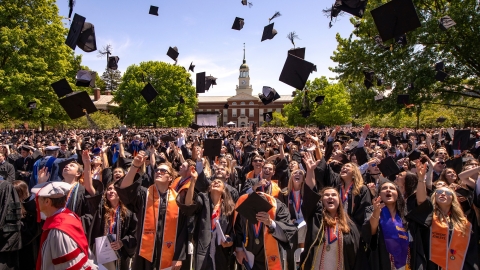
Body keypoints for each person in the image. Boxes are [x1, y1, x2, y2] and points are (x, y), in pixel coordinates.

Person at [115, 152, 188, 270]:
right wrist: (135, 166)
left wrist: (179, 256)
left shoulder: (178, 199)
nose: (158, 172)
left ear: (170, 178)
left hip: (169, 252)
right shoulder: (145, 194)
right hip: (145, 253)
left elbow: (182, 230)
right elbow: (125, 190)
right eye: (157, 170)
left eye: (163, 171)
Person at [176, 168, 236, 270]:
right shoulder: (203, 199)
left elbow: (233, 232)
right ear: (209, 188)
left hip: (221, 252)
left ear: (224, 190)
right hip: (203, 249)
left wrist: (229, 240)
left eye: (219, 182)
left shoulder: (229, 207)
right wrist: (193, 181)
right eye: (213, 182)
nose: (216, 182)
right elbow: (188, 204)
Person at [32, 181, 97, 270]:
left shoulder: (58, 231)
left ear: (47, 201)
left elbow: (69, 266)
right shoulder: (66, 216)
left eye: (37, 198)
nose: (35, 201)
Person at [233, 191, 296, 270]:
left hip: (269, 258)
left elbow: (286, 235)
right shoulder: (245, 205)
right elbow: (237, 229)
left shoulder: (278, 207)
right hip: (248, 258)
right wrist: (239, 249)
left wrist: (270, 223)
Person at [86, 182, 138, 270]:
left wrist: (122, 242)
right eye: (109, 189)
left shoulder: (129, 212)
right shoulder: (101, 209)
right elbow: (89, 188)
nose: (111, 191)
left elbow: (134, 233)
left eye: (115, 189)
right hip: (102, 251)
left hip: (120, 252)